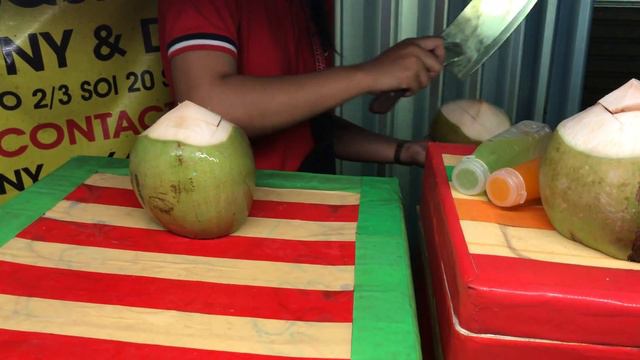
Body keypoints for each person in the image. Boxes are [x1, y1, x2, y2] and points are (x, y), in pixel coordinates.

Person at [158, 0, 445, 173]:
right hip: (238, 208)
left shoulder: (309, 6)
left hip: (304, 194)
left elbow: (303, 123)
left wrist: (404, 151)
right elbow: (207, 107)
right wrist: (367, 75)